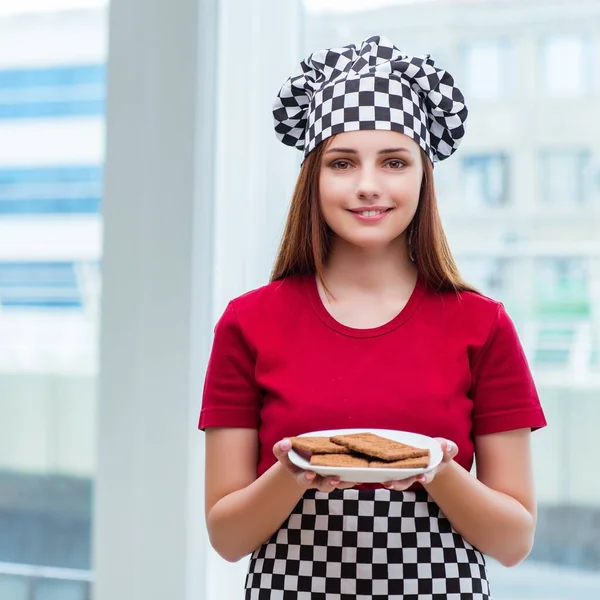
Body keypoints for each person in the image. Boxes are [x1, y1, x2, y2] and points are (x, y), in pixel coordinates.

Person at [199, 35, 547, 599]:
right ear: (313, 178)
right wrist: (294, 473)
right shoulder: (248, 324)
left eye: (393, 162)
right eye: (342, 162)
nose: (368, 185)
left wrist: (435, 467)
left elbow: (513, 541)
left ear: (422, 177)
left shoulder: (481, 326)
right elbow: (227, 535)